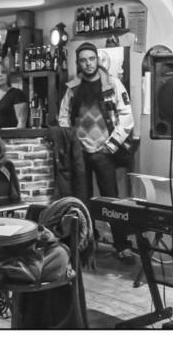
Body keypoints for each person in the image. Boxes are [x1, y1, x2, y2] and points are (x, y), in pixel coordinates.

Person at [58, 42, 136, 264]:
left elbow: (126, 116)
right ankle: (87, 244)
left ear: (97, 59)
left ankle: (122, 245)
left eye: (91, 59)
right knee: (82, 200)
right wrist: (72, 141)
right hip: (80, 151)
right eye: (83, 60)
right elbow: (63, 116)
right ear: (78, 63)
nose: (88, 64)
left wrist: (111, 145)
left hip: (105, 150)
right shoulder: (73, 87)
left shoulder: (112, 83)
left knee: (111, 200)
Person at [0, 61, 28, 128]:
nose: (0, 75)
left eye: (3, 72)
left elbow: (21, 124)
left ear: (7, 76)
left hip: (10, 134)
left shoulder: (17, 94)